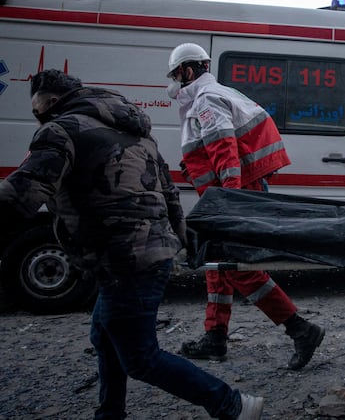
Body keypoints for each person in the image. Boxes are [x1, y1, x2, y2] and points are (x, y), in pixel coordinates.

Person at [0, 70, 263, 420]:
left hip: (123, 258)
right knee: (105, 335)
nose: (38, 117)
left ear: (48, 102)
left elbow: (25, 190)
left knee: (141, 358)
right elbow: (170, 194)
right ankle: (110, 413)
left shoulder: (60, 130)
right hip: (145, 254)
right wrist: (179, 244)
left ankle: (232, 405)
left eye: (38, 110)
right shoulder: (136, 132)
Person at [167, 42, 324, 370]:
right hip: (224, 193)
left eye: (177, 73)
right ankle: (215, 336)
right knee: (217, 265)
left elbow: (225, 151)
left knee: (239, 268)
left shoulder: (207, 99)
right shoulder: (211, 95)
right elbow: (215, 150)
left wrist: (231, 202)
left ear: (189, 70)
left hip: (230, 194)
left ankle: (300, 329)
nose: (175, 81)